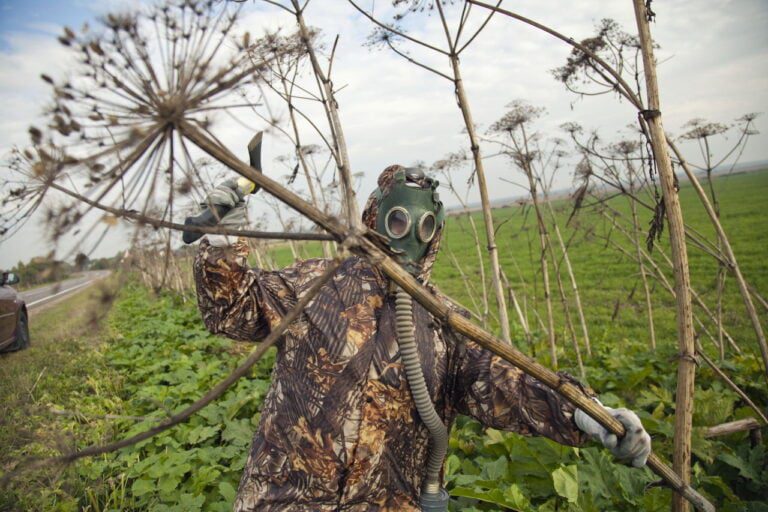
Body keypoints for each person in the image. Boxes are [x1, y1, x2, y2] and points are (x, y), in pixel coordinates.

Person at [193, 165, 651, 512]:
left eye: (422, 226)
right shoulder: (316, 284)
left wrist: (585, 414)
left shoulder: (447, 325)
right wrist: (220, 243)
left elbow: (506, 384)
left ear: (435, 231)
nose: (408, 236)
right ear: (374, 215)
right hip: (285, 500)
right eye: (396, 222)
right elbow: (233, 310)